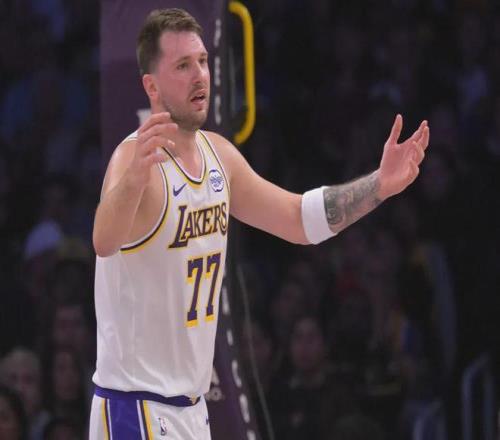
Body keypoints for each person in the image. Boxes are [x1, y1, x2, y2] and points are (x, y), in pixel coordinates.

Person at [89, 8, 429, 440]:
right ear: (151, 86)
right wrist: (132, 181)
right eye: (183, 65)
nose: (200, 75)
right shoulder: (134, 158)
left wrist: (379, 185)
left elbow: (298, 220)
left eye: (203, 61)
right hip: (135, 406)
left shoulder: (219, 156)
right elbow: (104, 240)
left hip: (189, 409)